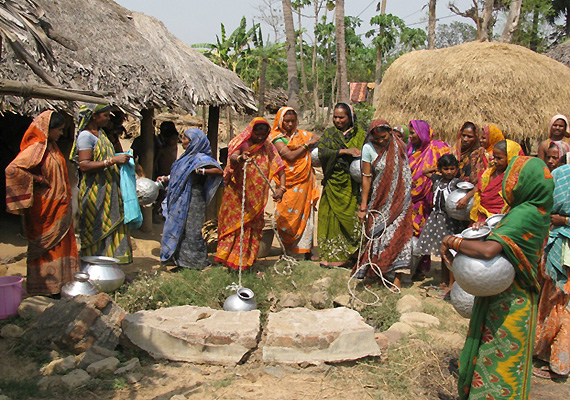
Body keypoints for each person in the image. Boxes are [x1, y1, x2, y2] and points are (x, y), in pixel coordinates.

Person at [441, 156, 554, 400]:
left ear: (525, 183)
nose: (508, 185)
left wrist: (453, 241)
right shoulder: (535, 208)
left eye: (514, 178)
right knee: (498, 356)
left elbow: (490, 250)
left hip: (510, 300)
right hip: (514, 295)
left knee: (498, 358)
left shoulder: (524, 214)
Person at [5, 111, 79, 295]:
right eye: (59, 130)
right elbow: (13, 169)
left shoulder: (51, 147)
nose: (61, 134)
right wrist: (37, 180)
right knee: (46, 250)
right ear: (48, 129)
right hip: (45, 210)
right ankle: (45, 289)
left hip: (59, 209)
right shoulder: (36, 149)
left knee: (61, 247)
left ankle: (60, 285)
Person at [215, 117, 285, 270]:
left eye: (263, 134)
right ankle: (227, 259)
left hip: (256, 199)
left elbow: (279, 167)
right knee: (233, 224)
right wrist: (240, 158)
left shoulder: (268, 147)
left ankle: (246, 260)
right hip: (237, 195)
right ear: (251, 131)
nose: (260, 137)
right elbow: (233, 156)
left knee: (252, 227)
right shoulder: (241, 142)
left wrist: (282, 187)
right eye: (257, 133)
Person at [353, 120, 412, 288]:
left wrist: (404, 196)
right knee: (377, 236)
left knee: (400, 237)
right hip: (379, 200)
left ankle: (398, 279)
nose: (381, 141)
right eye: (376, 138)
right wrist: (363, 207)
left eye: (384, 137)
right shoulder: (368, 149)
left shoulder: (398, 145)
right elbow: (366, 177)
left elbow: (405, 171)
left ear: (390, 132)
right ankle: (377, 274)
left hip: (401, 201)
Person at [71, 104, 132, 263]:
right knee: (96, 228)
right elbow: (84, 165)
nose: (108, 118)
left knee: (113, 226)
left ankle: (111, 266)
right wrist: (112, 160)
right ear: (93, 116)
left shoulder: (100, 134)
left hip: (109, 189)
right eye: (105, 115)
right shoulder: (86, 136)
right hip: (95, 191)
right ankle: (92, 266)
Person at [159, 129, 222, 269]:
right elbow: (179, 175)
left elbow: (218, 171)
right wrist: (165, 178)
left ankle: (200, 263)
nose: (183, 140)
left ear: (195, 141)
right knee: (180, 228)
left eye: (186, 138)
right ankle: (181, 262)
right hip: (181, 197)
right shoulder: (186, 157)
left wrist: (201, 171)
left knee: (193, 230)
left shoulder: (200, 158)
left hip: (193, 197)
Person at [317, 103, 366, 268]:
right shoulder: (329, 134)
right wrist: (343, 152)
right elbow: (322, 152)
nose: (337, 120)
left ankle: (354, 253)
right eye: (335, 117)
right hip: (332, 182)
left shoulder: (360, 135)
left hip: (351, 185)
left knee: (350, 218)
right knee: (330, 218)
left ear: (350, 118)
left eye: (341, 117)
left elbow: (366, 154)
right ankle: (331, 256)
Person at [533, 163, 570, 379]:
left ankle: (559, 365)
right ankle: (547, 352)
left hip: (563, 253)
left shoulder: (561, 174)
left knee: (561, 306)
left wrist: (564, 220)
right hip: (560, 249)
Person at [269, 107, 320, 258]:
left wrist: (311, 143)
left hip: (304, 181)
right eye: (287, 121)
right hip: (286, 180)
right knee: (285, 214)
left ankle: (305, 250)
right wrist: (307, 145)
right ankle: (288, 249)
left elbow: (316, 139)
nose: (290, 124)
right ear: (280, 121)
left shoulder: (302, 135)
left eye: (293, 121)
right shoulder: (275, 137)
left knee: (306, 213)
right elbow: (289, 156)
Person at [417, 154, 466, 297]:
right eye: (446, 169)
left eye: (452, 169)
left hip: (450, 221)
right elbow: (425, 172)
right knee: (441, 251)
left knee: (449, 252)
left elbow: (473, 189)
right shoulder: (437, 180)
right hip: (437, 220)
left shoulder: (457, 183)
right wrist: (437, 170)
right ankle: (443, 282)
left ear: (457, 169)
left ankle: (450, 284)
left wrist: (465, 199)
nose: (449, 172)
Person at [407, 120, 452, 277]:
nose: (410, 136)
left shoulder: (437, 148)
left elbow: (449, 166)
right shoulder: (410, 149)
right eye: (410, 133)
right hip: (410, 198)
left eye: (413, 133)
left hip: (427, 199)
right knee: (409, 231)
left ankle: (421, 267)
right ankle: (407, 266)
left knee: (423, 232)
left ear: (421, 133)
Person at [470, 139, 523, 223]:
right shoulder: (487, 174)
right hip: (481, 220)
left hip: (502, 221)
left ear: (510, 157)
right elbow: (479, 194)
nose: (494, 161)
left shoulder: (515, 179)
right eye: (494, 157)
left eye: (499, 158)